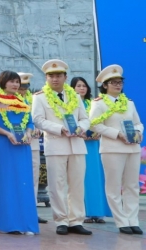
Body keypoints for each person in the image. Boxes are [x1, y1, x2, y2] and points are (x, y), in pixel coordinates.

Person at [32, 59, 91, 236]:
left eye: (58, 75)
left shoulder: (75, 96)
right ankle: (61, 220)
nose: (55, 79)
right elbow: (37, 120)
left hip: (77, 145)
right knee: (57, 185)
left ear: (65, 77)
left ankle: (76, 220)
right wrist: (59, 128)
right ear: (46, 77)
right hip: (56, 144)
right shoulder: (40, 97)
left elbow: (84, 118)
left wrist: (82, 128)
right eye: (51, 76)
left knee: (77, 184)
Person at [89, 65, 142, 235]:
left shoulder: (129, 102)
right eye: (113, 83)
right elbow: (95, 124)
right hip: (112, 149)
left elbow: (138, 123)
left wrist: (139, 132)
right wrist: (116, 134)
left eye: (119, 83)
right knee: (114, 186)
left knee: (132, 186)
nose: (118, 86)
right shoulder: (99, 103)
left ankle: (133, 220)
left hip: (132, 148)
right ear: (105, 85)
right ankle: (121, 221)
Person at [0, 71, 39, 235]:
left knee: (24, 182)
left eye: (17, 82)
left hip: (22, 145)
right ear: (3, 82)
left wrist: (29, 132)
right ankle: (9, 224)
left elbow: (29, 122)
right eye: (12, 81)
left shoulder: (22, 101)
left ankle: (27, 224)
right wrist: (8, 133)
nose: (16, 85)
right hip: (5, 144)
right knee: (8, 183)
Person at [73, 76, 109, 223]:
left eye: (84, 85)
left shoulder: (92, 103)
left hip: (94, 144)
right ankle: (86, 212)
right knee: (83, 178)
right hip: (80, 143)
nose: (82, 88)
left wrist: (98, 133)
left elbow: (100, 120)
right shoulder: (71, 103)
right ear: (72, 88)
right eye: (78, 86)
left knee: (96, 177)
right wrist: (81, 134)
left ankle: (98, 212)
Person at [20, 71, 47, 224]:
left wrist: (39, 130)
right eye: (20, 88)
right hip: (16, 144)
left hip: (33, 143)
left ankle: (32, 211)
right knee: (19, 178)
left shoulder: (32, 100)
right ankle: (20, 210)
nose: (23, 91)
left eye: (25, 88)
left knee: (33, 179)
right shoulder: (7, 101)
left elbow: (39, 119)